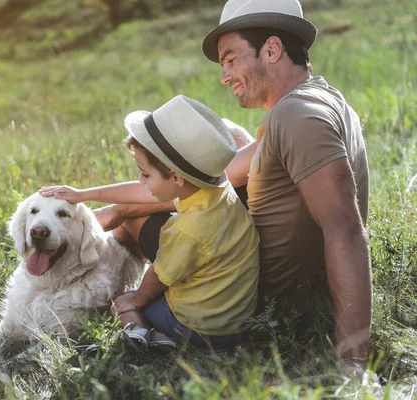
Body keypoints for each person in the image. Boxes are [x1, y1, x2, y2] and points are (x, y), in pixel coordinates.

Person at [93, 0, 373, 377]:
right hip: (265, 269)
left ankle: (111, 301)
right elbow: (217, 173)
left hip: (248, 296)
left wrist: (353, 361)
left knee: (139, 219)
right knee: (228, 137)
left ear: (272, 49)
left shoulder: (298, 118)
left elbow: (345, 228)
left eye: (231, 59)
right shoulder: (323, 101)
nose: (224, 76)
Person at [40, 95, 260, 350]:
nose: (140, 179)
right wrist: (83, 194)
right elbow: (140, 192)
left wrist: (137, 299)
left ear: (177, 178)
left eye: (145, 174)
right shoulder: (213, 190)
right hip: (234, 314)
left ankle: (143, 338)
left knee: (122, 304)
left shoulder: (190, 230)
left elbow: (158, 276)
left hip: (203, 328)